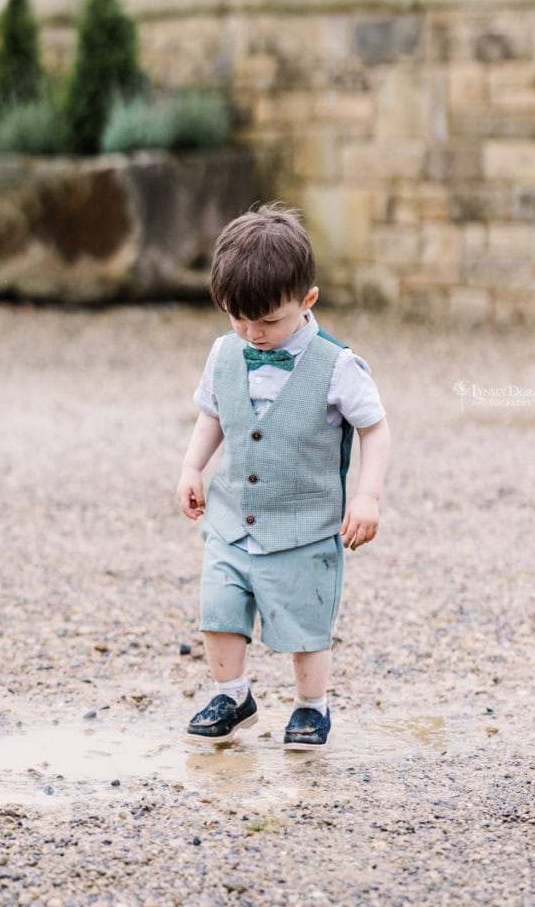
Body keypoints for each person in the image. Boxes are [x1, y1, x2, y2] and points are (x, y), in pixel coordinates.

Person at [176, 203, 390, 749]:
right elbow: (213, 415)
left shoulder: (338, 366)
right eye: (238, 318)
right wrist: (191, 466)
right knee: (219, 609)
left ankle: (311, 707)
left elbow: (375, 428)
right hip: (231, 520)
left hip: (304, 525)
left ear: (308, 300)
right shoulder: (226, 352)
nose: (253, 333)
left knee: (304, 617)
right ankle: (232, 693)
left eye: (268, 321)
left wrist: (366, 496)